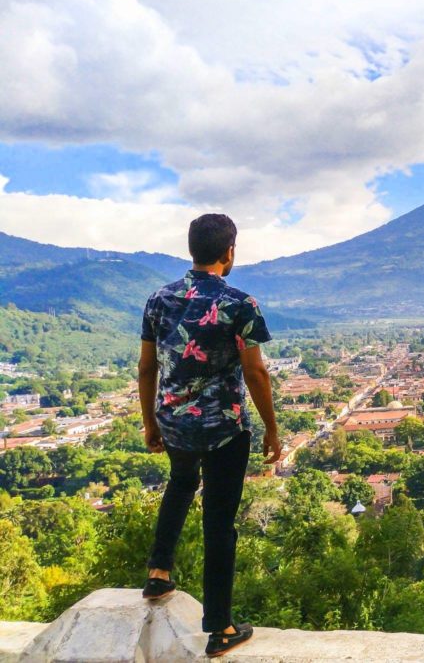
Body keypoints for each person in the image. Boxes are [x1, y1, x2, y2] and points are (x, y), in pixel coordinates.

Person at [138, 213, 281, 658]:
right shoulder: (240, 304)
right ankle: (220, 628)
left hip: (175, 423)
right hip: (224, 428)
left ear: (192, 249)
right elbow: (256, 372)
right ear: (230, 252)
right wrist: (272, 429)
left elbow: (147, 367)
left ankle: (158, 573)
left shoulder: (158, 300)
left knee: (180, 485)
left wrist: (150, 421)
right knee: (219, 521)